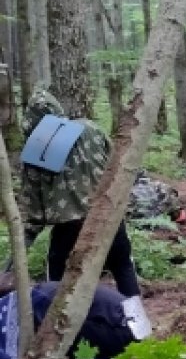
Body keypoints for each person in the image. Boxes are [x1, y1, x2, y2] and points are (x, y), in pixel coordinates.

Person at [19, 89, 151, 338]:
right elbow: (117, 163)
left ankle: (58, 338)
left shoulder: (34, 151)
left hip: (68, 228)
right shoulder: (90, 128)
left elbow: (33, 213)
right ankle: (140, 329)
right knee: (123, 267)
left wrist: (15, 259)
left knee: (57, 284)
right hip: (108, 217)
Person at [0, 279, 144, 359]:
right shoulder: (46, 289)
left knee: (65, 334)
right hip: (137, 322)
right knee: (67, 337)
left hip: (118, 327)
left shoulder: (21, 305)